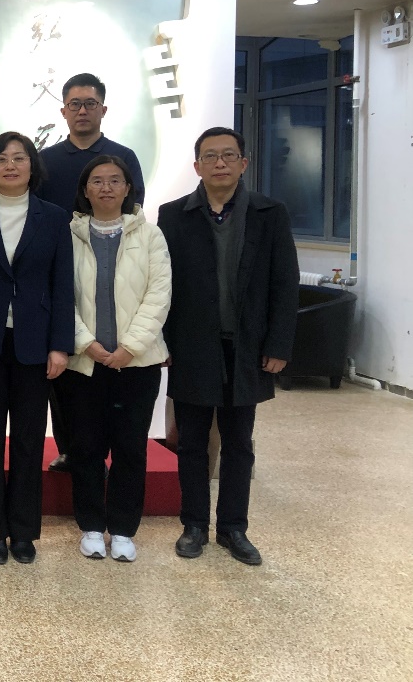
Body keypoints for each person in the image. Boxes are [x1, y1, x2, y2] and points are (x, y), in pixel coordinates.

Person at [158, 127, 297, 567]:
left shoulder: (270, 213)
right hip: (191, 344)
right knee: (191, 441)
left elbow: (285, 283)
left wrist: (279, 343)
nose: (220, 163)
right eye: (210, 156)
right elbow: (162, 286)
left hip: (248, 346)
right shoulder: (173, 215)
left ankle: (234, 528)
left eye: (229, 155)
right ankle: (194, 525)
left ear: (243, 163)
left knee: (239, 442)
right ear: (196, 165)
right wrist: (162, 341)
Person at [0, 131, 74, 566]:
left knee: (27, 439)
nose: (10, 166)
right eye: (1, 159)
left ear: (31, 166)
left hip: (35, 344)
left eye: (19, 158)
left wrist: (60, 346)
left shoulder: (54, 217)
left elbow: (63, 286)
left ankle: (23, 531)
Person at [59, 155, 170, 563]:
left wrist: (130, 348)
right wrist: (86, 343)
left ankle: (123, 529)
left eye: (115, 180)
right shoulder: (68, 236)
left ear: (127, 188)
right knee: (85, 446)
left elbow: (159, 294)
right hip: (83, 364)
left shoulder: (150, 235)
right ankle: (90, 525)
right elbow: (59, 295)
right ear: (85, 190)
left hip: (136, 364)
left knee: (130, 448)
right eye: (97, 181)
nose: (106, 187)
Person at [37, 72, 146, 475]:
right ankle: (70, 448)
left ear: (104, 109)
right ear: (63, 111)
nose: (82, 110)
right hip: (58, 268)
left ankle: (113, 449)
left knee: (111, 373)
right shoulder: (45, 160)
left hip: (113, 266)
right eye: (74, 104)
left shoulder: (122, 156)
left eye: (90, 103)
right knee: (65, 365)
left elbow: (134, 209)